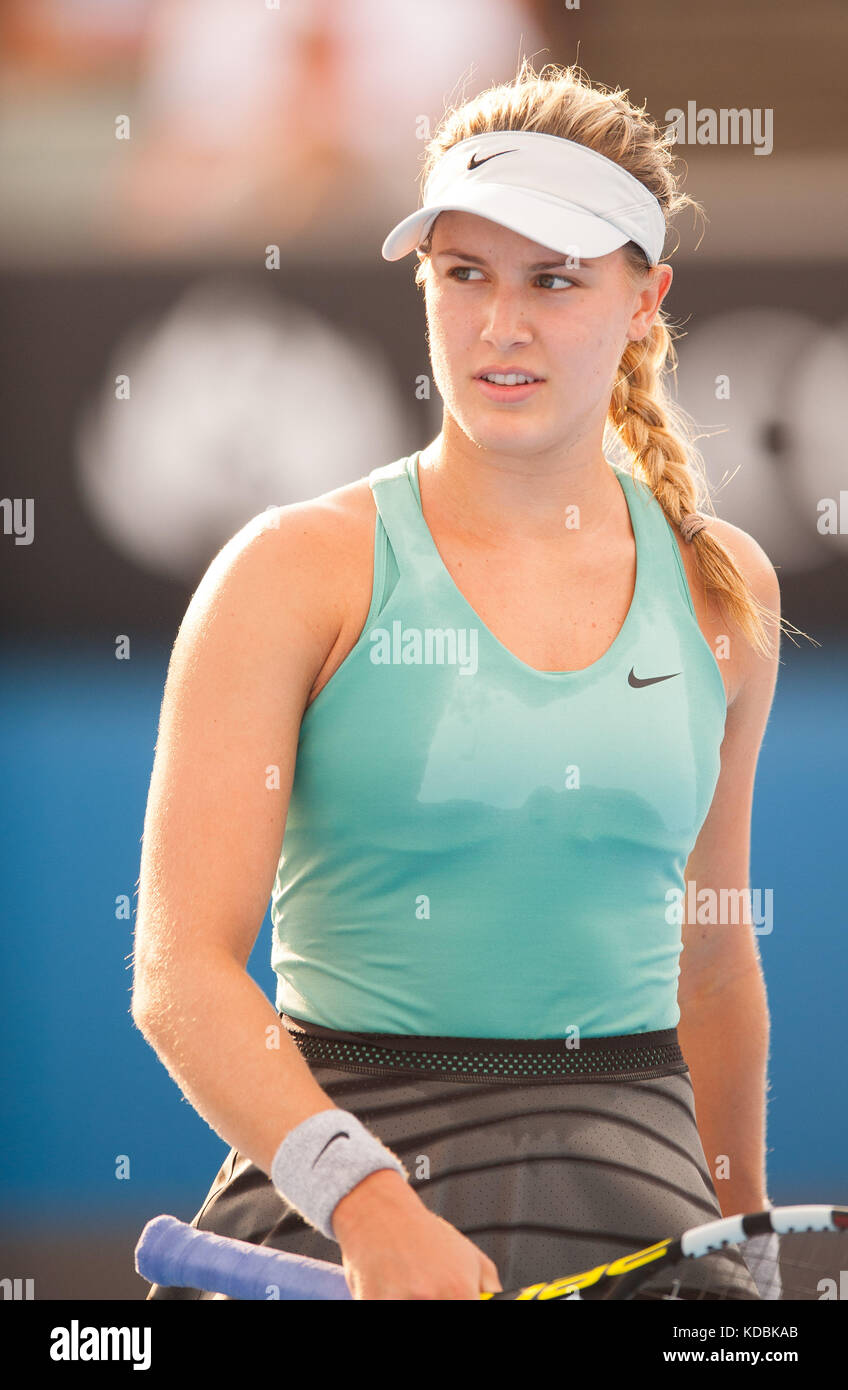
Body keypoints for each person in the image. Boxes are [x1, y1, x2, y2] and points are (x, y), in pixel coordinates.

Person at [134, 60, 800, 1301]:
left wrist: (743, 1235)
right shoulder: (284, 574)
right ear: (422, 283)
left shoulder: (725, 592)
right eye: (464, 273)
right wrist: (368, 1208)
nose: (502, 323)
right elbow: (179, 971)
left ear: (644, 300)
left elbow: (710, 961)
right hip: (336, 1182)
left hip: (636, 1179)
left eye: (554, 279)